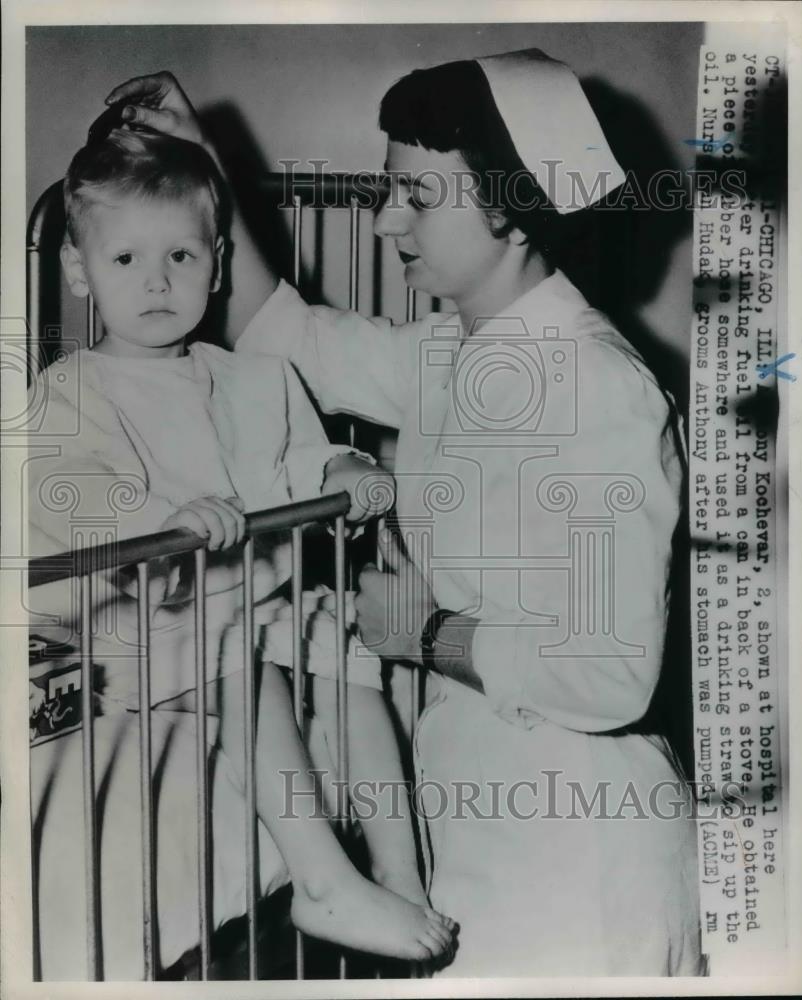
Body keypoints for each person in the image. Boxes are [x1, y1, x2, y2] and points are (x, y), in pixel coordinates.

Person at [108, 49, 701, 977]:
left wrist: (423, 633)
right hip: (481, 837)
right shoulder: (451, 354)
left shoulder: (596, 386)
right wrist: (202, 160)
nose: (387, 220)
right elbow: (287, 335)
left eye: (417, 197)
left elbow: (614, 673)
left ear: (508, 209)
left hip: (583, 858)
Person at [27, 124, 456, 978]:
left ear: (219, 264)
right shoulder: (68, 392)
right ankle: (320, 876)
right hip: (142, 630)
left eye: (182, 257)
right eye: (125, 262)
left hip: (260, 610)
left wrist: (350, 467)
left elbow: (303, 461)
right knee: (237, 651)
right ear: (78, 272)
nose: (157, 281)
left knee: (348, 653)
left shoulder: (252, 378)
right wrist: (164, 513)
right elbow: (66, 491)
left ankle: (400, 873)